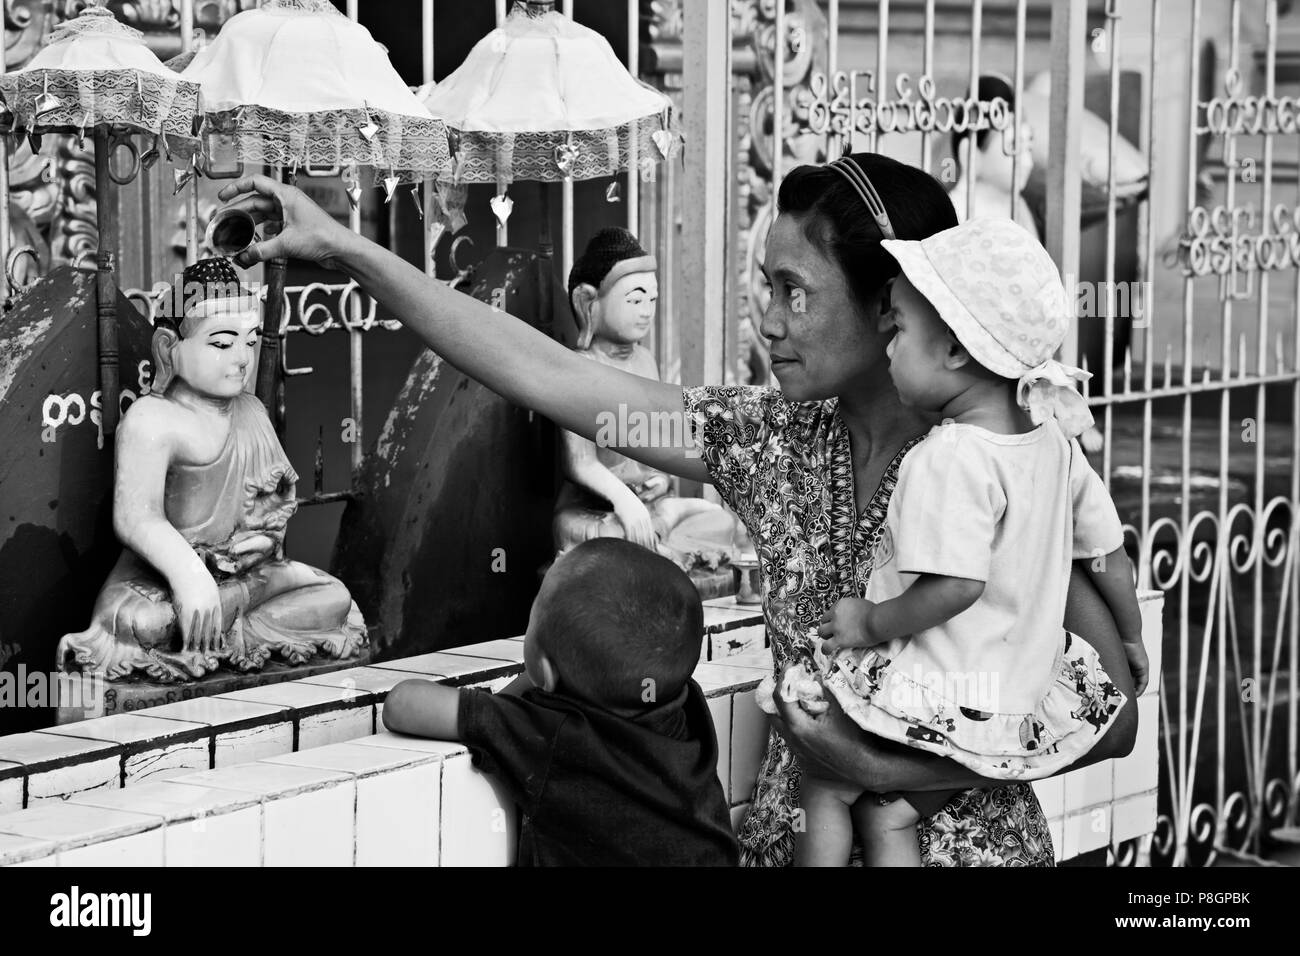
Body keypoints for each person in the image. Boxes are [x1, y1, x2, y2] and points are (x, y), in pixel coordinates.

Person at [215, 150, 1138, 867]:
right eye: (763, 288)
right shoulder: (774, 440)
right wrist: (345, 247)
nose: (765, 321)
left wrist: (891, 771)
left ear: (891, 302)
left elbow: (1120, 711)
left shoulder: (1014, 463)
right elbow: (545, 370)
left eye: (793, 292)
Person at [783, 218, 1147, 867]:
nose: (888, 346)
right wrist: (1130, 639)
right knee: (890, 814)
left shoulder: (947, 457)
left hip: (946, 690)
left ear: (953, 350)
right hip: (1021, 698)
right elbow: (1109, 554)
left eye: (900, 329)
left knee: (825, 784)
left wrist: (869, 620)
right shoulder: (1055, 444)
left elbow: (955, 586)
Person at [57, 258, 365, 683]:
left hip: (237, 574)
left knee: (334, 598)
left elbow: (270, 507)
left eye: (251, 343)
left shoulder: (251, 411)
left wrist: (260, 540)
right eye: (222, 344)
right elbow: (136, 519)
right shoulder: (152, 419)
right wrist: (188, 574)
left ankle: (229, 618)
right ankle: (232, 617)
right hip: (157, 583)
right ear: (169, 348)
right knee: (140, 623)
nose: (242, 359)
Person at [382, 537, 738, 866]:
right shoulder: (686, 706)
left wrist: (535, 678)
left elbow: (402, 704)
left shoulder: (557, 734)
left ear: (547, 671)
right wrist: (546, 668)